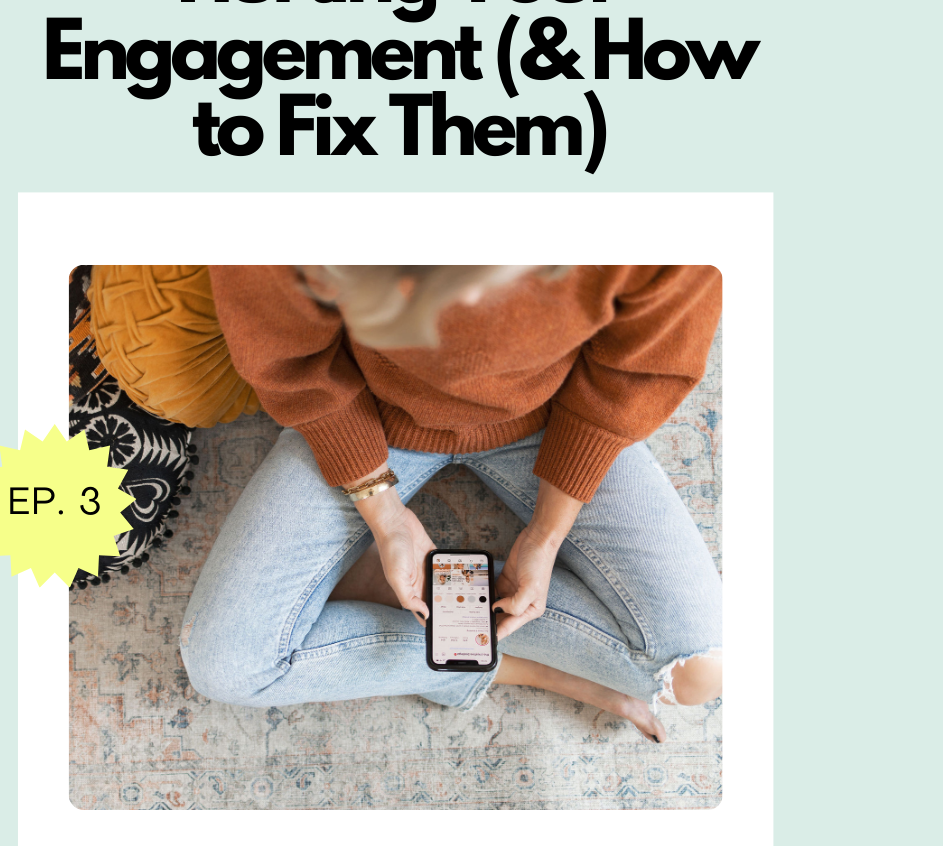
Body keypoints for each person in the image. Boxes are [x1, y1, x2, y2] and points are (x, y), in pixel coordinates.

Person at [180, 265, 723, 743]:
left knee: (700, 675)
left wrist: (546, 535)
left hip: (558, 416)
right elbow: (287, 361)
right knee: (226, 665)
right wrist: (384, 516)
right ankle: (515, 667)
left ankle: (401, 599)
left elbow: (638, 374)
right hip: (364, 412)